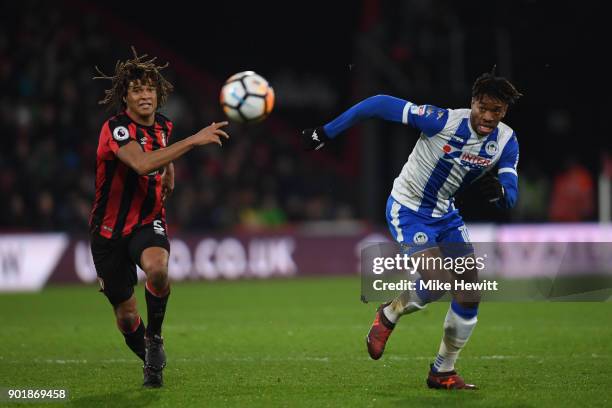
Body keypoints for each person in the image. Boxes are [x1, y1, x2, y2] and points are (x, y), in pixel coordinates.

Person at [300, 69, 522, 389]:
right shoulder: (441, 121)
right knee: (437, 281)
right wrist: (326, 132)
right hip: (408, 210)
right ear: (472, 102)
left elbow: (509, 193)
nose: (488, 116)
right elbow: (377, 104)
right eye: (483, 107)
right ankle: (390, 313)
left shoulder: (506, 140)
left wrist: (500, 194)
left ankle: (442, 371)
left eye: (496, 111)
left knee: (470, 292)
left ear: (504, 112)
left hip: (446, 215)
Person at [89, 48, 229, 388]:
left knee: (158, 269)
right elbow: (140, 163)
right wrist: (193, 141)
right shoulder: (116, 129)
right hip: (108, 233)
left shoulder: (164, 125)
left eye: (150, 89)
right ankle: (150, 363)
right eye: (137, 89)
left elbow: (159, 152)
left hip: (147, 220)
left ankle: (155, 338)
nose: (145, 95)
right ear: (126, 96)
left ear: (158, 93)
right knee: (125, 316)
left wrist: (169, 170)